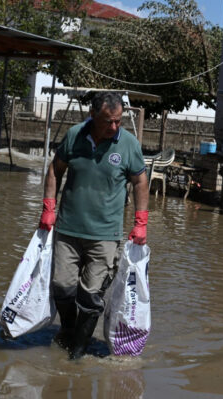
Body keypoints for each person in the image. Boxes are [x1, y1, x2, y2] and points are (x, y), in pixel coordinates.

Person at [38, 91, 149, 359]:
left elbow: (140, 182)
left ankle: (77, 352)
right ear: (92, 116)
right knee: (62, 287)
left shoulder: (129, 144)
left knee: (90, 296)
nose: (114, 127)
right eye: (108, 121)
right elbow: (55, 169)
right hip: (67, 230)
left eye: (118, 121)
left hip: (105, 234)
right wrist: (48, 207)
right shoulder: (75, 135)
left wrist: (141, 222)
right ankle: (68, 331)